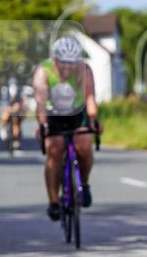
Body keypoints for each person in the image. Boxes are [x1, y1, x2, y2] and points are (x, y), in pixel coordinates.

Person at [33, 36, 102, 221]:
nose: (68, 67)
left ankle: (84, 184)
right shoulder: (43, 71)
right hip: (53, 114)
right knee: (54, 150)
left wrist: (94, 120)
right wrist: (42, 124)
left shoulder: (83, 70)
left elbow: (90, 99)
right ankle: (54, 201)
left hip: (77, 114)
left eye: (72, 63)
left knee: (85, 145)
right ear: (55, 59)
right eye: (63, 62)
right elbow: (40, 102)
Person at [0, 76, 25, 150]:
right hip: (8, 108)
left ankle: (16, 140)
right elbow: (4, 102)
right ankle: (3, 129)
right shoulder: (5, 91)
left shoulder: (20, 91)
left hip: (16, 110)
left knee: (16, 122)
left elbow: (21, 102)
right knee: (4, 117)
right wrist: (8, 108)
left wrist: (19, 107)